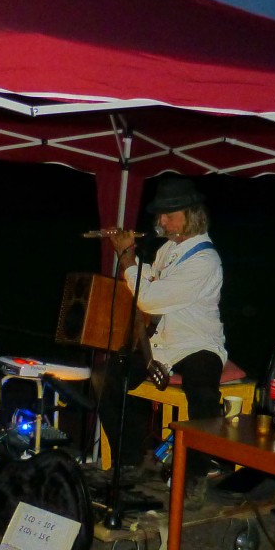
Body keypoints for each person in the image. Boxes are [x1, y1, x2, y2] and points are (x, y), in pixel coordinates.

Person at [100, 176, 228, 506]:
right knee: (110, 379)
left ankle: (196, 477)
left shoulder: (205, 260)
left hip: (198, 342)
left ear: (191, 215)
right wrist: (133, 259)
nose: (162, 221)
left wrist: (126, 257)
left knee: (202, 393)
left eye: (170, 215)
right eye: (161, 215)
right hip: (163, 344)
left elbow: (149, 300)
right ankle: (132, 461)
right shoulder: (168, 250)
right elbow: (150, 285)